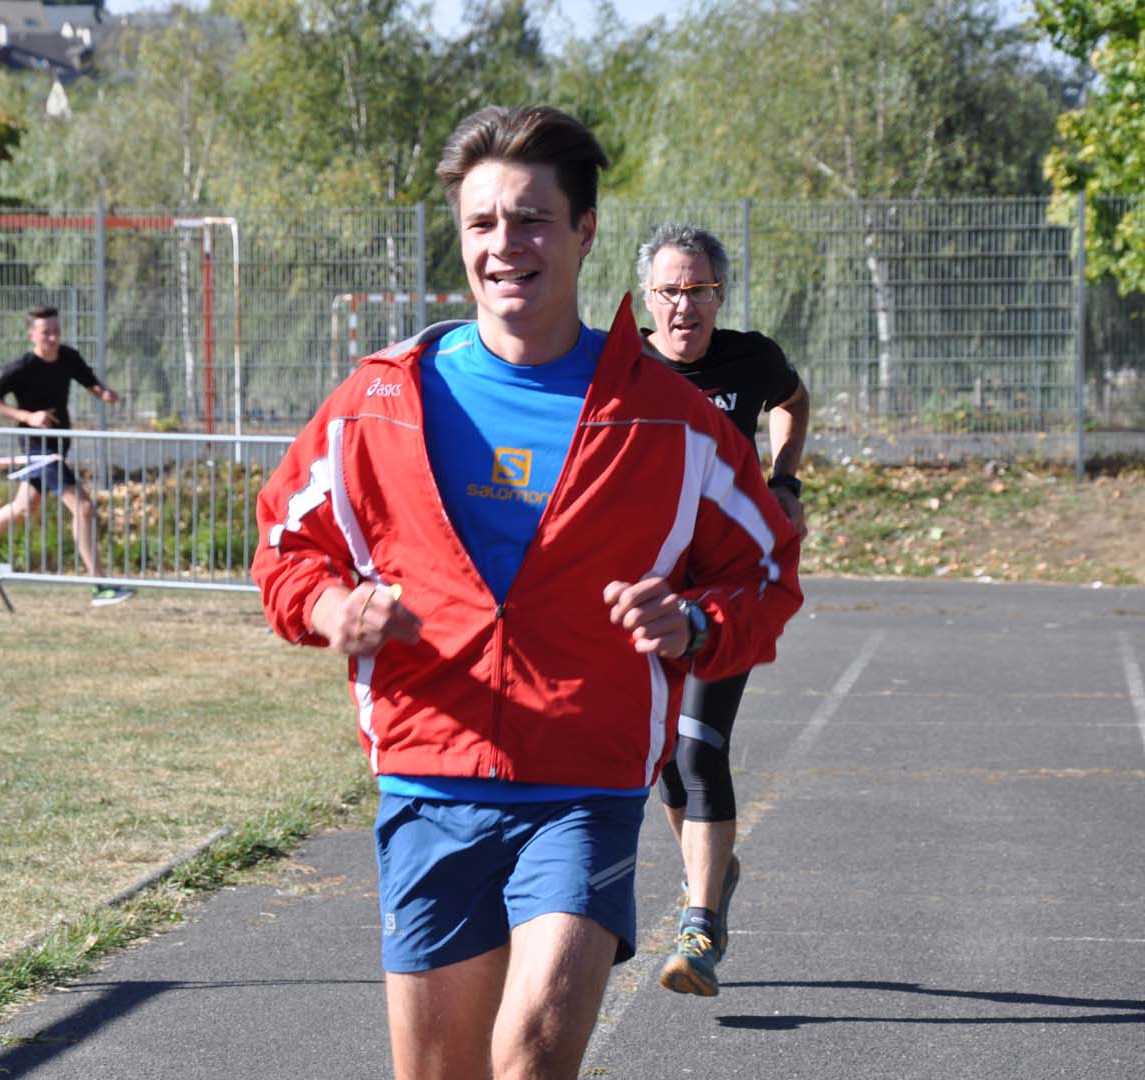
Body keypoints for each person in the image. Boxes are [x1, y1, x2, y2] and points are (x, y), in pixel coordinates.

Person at [252, 106, 803, 1079]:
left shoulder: (670, 421)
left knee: (535, 1053)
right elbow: (285, 548)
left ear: (585, 232)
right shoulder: (385, 398)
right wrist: (335, 610)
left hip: (582, 788)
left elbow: (764, 571)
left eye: (534, 219)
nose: (506, 244)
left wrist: (696, 622)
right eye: (482, 223)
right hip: (429, 782)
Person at [636, 222, 810, 997]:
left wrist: (785, 482)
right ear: (647, 298)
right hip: (646, 592)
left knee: (700, 745)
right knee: (665, 760)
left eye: (700, 290)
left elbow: (794, 404)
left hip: (726, 588)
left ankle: (699, 925)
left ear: (720, 295)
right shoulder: (621, 366)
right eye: (671, 291)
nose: (686, 306)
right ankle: (715, 869)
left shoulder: (752, 358)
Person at [0, 305, 135, 607]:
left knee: (24, 509)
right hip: (39, 449)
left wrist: (106, 394)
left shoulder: (68, 357)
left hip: (58, 445)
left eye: (56, 331)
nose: (52, 337)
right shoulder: (21, 367)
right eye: (46, 332)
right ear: (32, 335)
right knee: (84, 506)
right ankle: (100, 585)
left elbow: (90, 382)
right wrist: (28, 416)